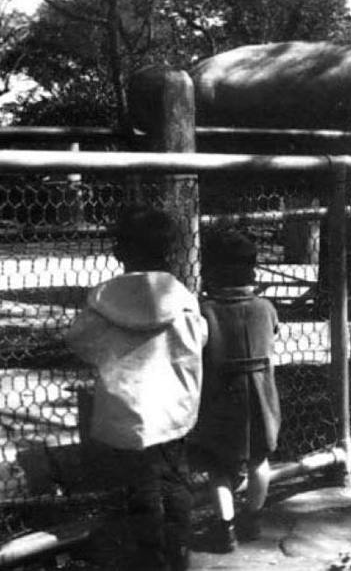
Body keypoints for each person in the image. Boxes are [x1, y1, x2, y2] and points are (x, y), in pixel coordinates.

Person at [65, 205, 207, 571]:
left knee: (138, 486)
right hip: (172, 408)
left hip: (126, 409)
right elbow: (199, 339)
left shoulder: (103, 302)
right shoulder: (181, 298)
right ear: (168, 251)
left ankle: (148, 558)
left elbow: (80, 341)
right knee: (175, 480)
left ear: (119, 252)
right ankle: (178, 553)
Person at [193, 228, 281, 552]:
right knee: (259, 459)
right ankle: (253, 518)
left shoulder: (205, 311)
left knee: (218, 466)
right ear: (252, 272)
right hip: (260, 398)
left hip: (220, 397)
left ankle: (225, 528)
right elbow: (273, 336)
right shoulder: (266, 307)